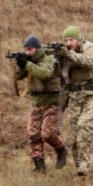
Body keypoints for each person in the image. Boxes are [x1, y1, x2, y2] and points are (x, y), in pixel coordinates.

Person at [15, 34, 68, 174]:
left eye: (30, 49)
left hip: (53, 102)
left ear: (38, 49)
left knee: (47, 133)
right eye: (25, 49)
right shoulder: (29, 60)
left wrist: (27, 64)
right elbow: (19, 76)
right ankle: (39, 166)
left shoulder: (49, 58)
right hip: (37, 102)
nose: (27, 52)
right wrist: (21, 65)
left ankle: (61, 150)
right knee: (33, 134)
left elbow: (45, 74)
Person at [56, 26, 93, 177]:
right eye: (66, 40)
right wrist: (58, 60)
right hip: (74, 96)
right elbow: (60, 76)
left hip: (92, 95)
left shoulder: (90, 48)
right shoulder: (67, 54)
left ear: (78, 39)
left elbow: (89, 62)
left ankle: (85, 164)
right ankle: (80, 169)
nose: (68, 43)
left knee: (85, 127)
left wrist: (69, 54)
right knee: (73, 135)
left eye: (71, 40)